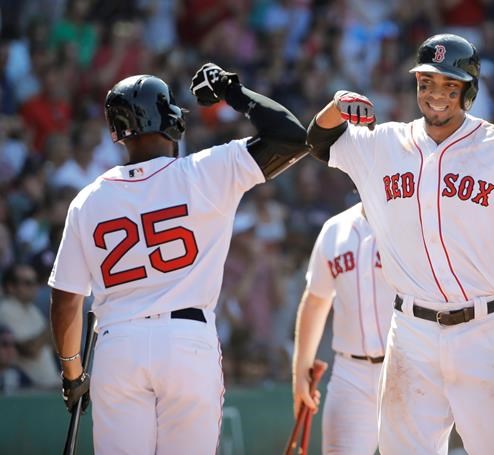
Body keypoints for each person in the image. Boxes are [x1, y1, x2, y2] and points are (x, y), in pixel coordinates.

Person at [306, 33, 494, 454]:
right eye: (426, 83)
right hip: (411, 333)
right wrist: (337, 105)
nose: (435, 95)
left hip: (484, 331)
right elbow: (318, 141)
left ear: (468, 91)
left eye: (449, 86)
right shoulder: (383, 143)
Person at [48, 64, 308, 454]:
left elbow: (66, 300)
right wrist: (231, 91)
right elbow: (291, 138)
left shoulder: (88, 199)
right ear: (171, 121)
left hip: (117, 343)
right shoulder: (206, 171)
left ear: (117, 132)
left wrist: (72, 373)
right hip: (187, 341)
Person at [292, 201, 393, 454]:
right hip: (351, 373)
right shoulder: (335, 229)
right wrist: (300, 372)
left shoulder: (414, 222)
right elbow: (316, 300)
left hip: (406, 368)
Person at [0, 263, 59, 388]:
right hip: (27, 388)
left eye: (35, 282)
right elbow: (29, 349)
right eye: (28, 282)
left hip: (49, 385)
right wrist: (55, 321)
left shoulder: (33, 310)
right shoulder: (6, 309)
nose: (34, 287)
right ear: (11, 287)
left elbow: (54, 347)